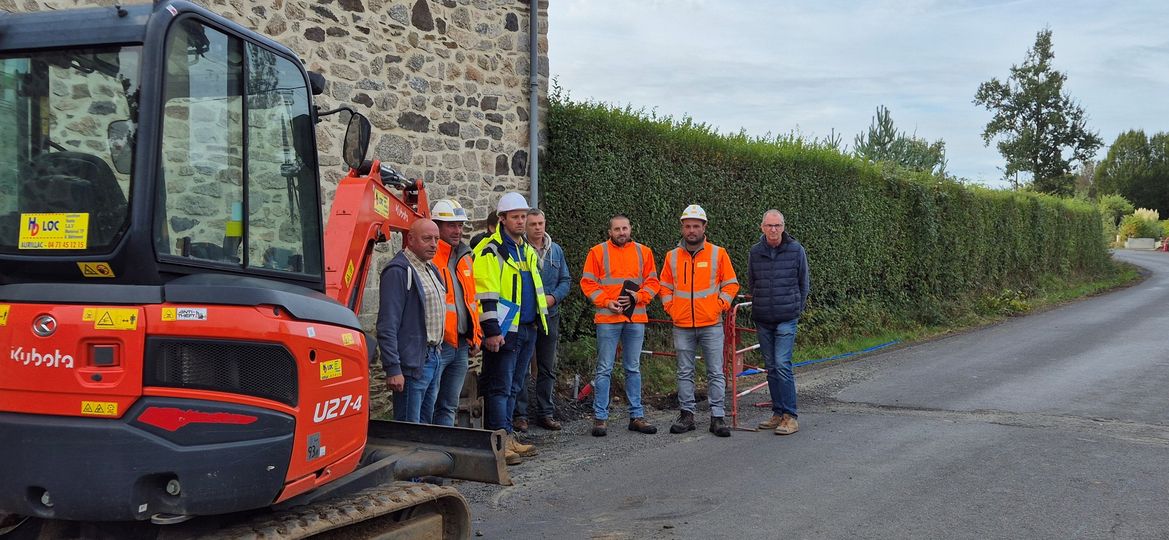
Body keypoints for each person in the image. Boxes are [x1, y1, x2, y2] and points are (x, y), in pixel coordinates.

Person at [473, 192, 548, 464]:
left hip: (527, 327)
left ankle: (508, 437)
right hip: (504, 330)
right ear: (502, 219)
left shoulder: (525, 249)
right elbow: (485, 292)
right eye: (515, 217)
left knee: (515, 387)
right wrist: (492, 331)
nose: (521, 221)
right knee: (500, 387)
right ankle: (498, 443)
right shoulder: (489, 250)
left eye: (523, 216)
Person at [659, 205, 739, 438]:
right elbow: (664, 286)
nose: (691, 230)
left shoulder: (718, 253)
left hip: (711, 324)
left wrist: (719, 306)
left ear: (704, 227)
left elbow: (731, 284)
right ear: (682, 228)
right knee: (684, 371)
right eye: (687, 226)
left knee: (715, 371)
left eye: (696, 226)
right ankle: (687, 415)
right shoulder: (671, 256)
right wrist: (671, 308)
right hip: (682, 324)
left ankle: (717, 417)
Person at [580, 214, 659, 437]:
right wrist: (607, 302)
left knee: (632, 367)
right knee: (604, 368)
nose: (621, 232)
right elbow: (587, 283)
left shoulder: (644, 252)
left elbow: (653, 282)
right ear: (610, 232)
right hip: (608, 317)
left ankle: (637, 416)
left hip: (635, 317)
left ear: (630, 229)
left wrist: (638, 296)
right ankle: (600, 418)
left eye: (625, 228)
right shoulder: (597, 252)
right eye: (617, 229)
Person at [377, 219, 446, 423]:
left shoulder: (430, 269)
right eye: (427, 239)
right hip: (413, 364)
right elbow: (387, 325)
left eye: (436, 239)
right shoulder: (398, 272)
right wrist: (393, 368)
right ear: (411, 239)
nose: (434, 244)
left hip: (433, 358)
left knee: (425, 426)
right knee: (409, 427)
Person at [748, 209, 810, 435]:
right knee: (771, 368)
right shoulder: (755, 252)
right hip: (763, 318)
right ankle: (777, 413)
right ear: (762, 228)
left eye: (777, 225)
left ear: (784, 227)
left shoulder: (796, 250)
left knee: (782, 364)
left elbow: (804, 284)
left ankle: (790, 416)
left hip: (786, 318)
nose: (773, 230)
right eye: (769, 226)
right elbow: (752, 282)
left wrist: (795, 309)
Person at [421, 199, 482, 426]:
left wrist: (476, 335)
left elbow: (471, 301)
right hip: (438, 345)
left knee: (449, 405)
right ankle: (428, 452)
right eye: (451, 225)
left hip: (461, 345)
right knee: (430, 403)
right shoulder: (429, 258)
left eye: (460, 225)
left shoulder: (466, 257)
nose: (457, 230)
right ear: (436, 226)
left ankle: (443, 452)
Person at [513, 208, 572, 431]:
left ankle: (545, 412)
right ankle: (520, 415)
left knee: (547, 367)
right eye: (533, 224)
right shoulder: (519, 251)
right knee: (522, 368)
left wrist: (553, 297)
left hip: (550, 315)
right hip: (526, 318)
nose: (538, 227)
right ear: (526, 227)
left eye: (541, 223)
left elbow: (565, 280)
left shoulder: (556, 251)